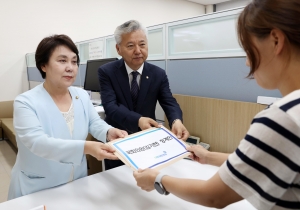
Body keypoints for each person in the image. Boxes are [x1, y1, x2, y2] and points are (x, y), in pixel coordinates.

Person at [133, 0, 300, 209]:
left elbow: (214, 196)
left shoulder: (283, 118)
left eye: (249, 49)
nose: (248, 62)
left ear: (276, 40)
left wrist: (157, 179)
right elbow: (260, 161)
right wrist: (209, 157)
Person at [8, 35, 128, 200]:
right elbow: (37, 143)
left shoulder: (81, 95)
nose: (70, 67)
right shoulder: (26, 102)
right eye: (62, 61)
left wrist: (109, 132)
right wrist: (86, 148)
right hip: (39, 187)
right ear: (44, 65)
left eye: (74, 61)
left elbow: (94, 123)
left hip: (76, 181)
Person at [98, 20, 189, 170]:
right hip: (119, 140)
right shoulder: (107, 72)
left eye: (142, 44)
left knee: (147, 184)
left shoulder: (158, 74)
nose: (138, 50)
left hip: (148, 143)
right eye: (130, 46)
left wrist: (176, 120)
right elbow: (110, 107)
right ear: (118, 49)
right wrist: (138, 120)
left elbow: (169, 101)